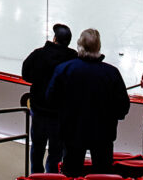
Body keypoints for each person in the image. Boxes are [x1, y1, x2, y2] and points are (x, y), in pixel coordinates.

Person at [45, 28, 130, 177]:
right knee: (102, 175)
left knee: (72, 173)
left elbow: (51, 99)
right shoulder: (111, 73)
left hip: (72, 133)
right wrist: (111, 118)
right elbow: (123, 106)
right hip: (103, 135)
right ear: (98, 47)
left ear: (79, 45)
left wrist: (64, 115)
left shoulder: (64, 70)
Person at [21, 24, 77, 174]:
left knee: (37, 146)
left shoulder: (39, 54)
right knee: (56, 150)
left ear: (54, 39)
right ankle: (52, 175)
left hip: (39, 111)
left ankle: (36, 175)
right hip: (59, 114)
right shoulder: (72, 58)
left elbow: (26, 74)